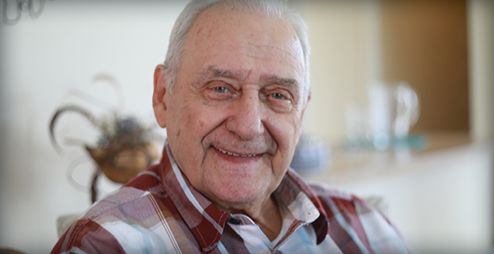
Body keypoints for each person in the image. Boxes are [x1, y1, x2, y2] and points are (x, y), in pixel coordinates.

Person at [52, 0, 411, 253]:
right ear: (163, 97)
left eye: (278, 95)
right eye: (221, 88)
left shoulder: (366, 223)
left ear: (300, 114)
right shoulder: (104, 244)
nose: (249, 126)